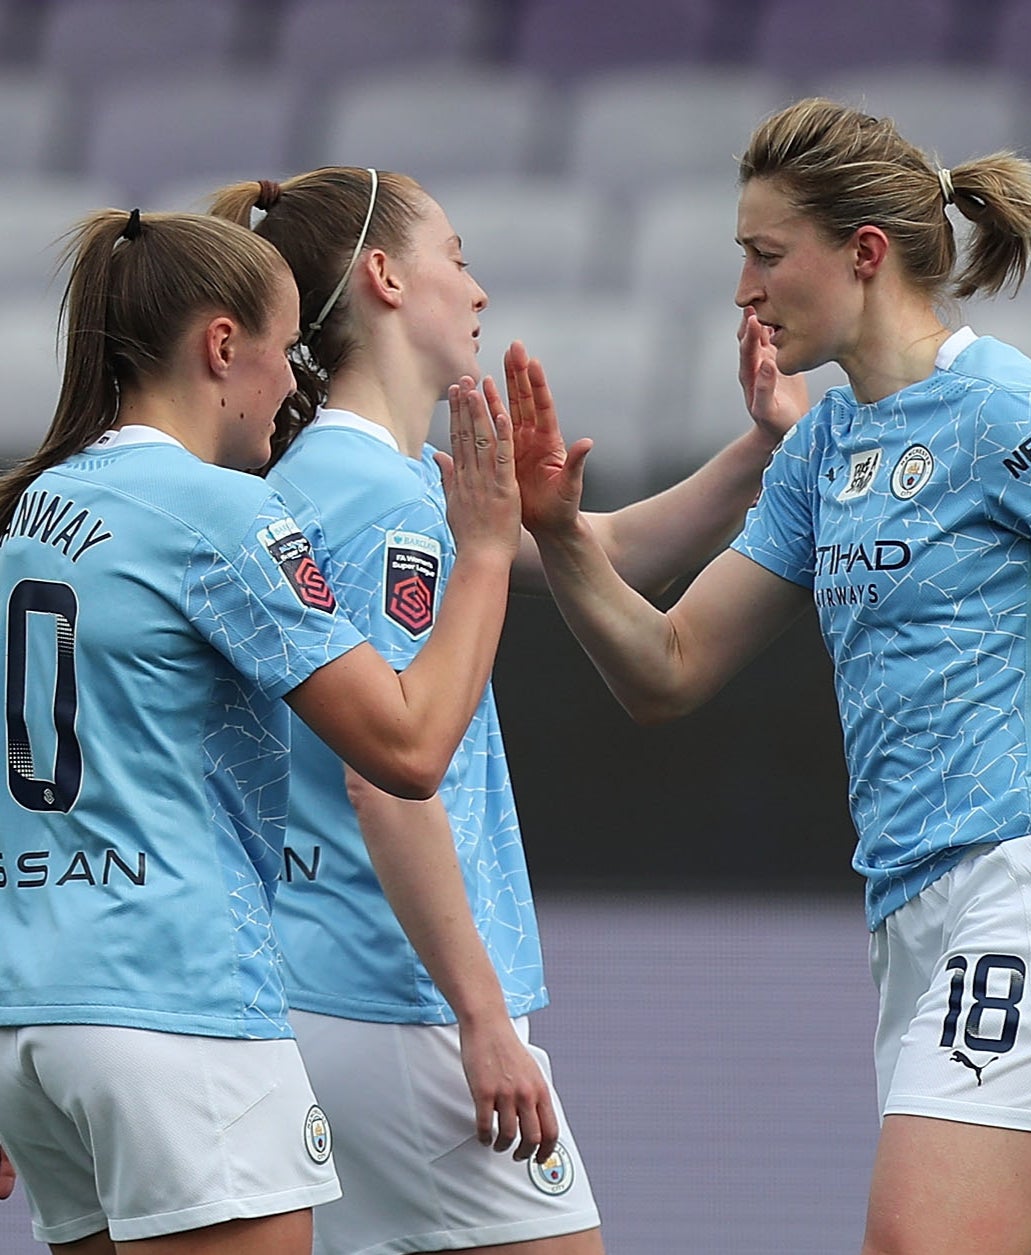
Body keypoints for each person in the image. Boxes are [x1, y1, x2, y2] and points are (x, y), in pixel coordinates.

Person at [511, 97, 1031, 1255]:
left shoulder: (1010, 416)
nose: (741, 287)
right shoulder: (823, 447)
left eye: (764, 254)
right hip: (916, 923)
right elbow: (668, 667)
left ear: (864, 255)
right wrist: (564, 538)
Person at [208, 166, 797, 1255]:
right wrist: (480, 1016)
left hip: (306, 992)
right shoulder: (381, 500)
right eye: (458, 259)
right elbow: (386, 770)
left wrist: (759, 446)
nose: (477, 293)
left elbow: (598, 549)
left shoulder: (349, 474)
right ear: (384, 277)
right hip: (401, 1000)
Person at [0, 208, 520, 1253]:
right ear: (220, 346)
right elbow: (409, 749)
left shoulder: (30, 512)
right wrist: (486, 554)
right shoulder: (220, 515)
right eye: (285, 352)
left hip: (34, 1020)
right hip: (178, 1005)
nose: (296, 385)